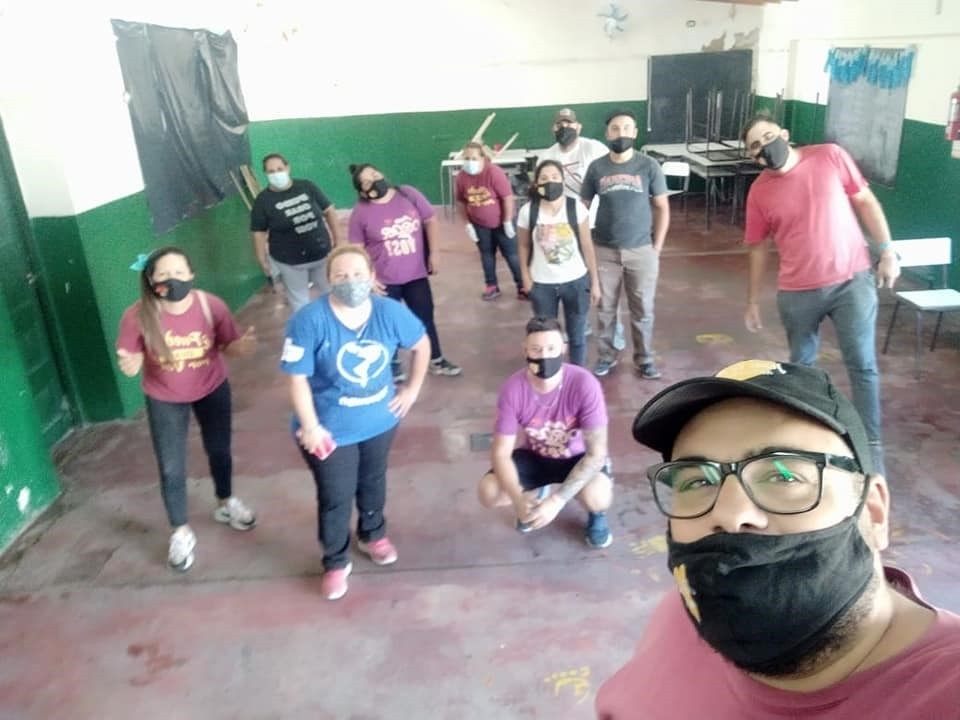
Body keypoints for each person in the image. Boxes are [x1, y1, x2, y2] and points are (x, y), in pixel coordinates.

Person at [596, 359, 960, 719]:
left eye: (783, 476)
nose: (730, 514)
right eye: (697, 481)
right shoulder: (679, 615)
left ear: (874, 511)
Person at [741, 112, 900, 476]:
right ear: (752, 157)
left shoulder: (829, 156)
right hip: (798, 293)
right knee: (802, 370)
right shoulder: (760, 192)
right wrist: (751, 300)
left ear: (784, 133)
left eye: (768, 137)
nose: (765, 147)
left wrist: (887, 251)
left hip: (851, 283)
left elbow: (865, 201)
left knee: (862, 365)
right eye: (755, 146)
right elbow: (757, 248)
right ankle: (809, 441)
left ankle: (870, 448)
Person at [280, 244, 431, 601]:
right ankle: (335, 560)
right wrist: (311, 427)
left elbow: (421, 345)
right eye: (342, 275)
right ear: (328, 279)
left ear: (372, 277)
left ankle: (372, 534)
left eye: (358, 274)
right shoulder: (308, 321)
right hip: (329, 430)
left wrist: (411, 390)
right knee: (336, 494)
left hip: (380, 421)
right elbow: (297, 378)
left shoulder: (389, 312)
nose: (351, 282)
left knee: (373, 480)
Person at [116, 247, 258, 572]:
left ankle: (226, 502)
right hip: (164, 396)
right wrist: (130, 362)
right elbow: (129, 355)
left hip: (212, 388)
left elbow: (229, 344)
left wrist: (241, 347)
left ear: (192, 275)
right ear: (151, 281)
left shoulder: (211, 306)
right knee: (171, 466)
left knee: (220, 450)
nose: (173, 280)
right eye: (164, 274)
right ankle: (180, 531)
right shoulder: (137, 316)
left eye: (180, 273)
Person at [477, 316, 613, 548]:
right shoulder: (512, 389)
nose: (544, 356)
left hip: (577, 457)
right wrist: (518, 500)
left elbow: (596, 453)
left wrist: (557, 501)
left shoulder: (584, 384)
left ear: (563, 348)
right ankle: (533, 497)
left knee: (598, 496)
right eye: (536, 349)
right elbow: (501, 453)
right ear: (525, 350)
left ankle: (596, 515)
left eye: (551, 348)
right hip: (536, 456)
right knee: (489, 492)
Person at [347, 163, 462, 381]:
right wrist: (368, 278)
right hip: (384, 280)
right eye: (367, 181)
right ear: (362, 191)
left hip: (416, 274)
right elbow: (356, 248)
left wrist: (434, 252)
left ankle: (435, 359)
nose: (375, 180)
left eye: (375, 174)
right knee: (386, 322)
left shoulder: (408, 194)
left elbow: (430, 219)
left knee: (425, 317)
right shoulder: (360, 212)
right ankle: (392, 363)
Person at [581, 109, 670, 380]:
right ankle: (606, 356)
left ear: (635, 132)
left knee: (642, 310)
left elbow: (662, 207)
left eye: (627, 128)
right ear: (607, 133)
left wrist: (657, 248)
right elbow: (583, 208)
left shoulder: (649, 166)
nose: (621, 133)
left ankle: (645, 359)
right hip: (604, 250)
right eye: (615, 129)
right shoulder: (597, 167)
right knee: (605, 309)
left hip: (641, 250)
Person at [538, 107, 624, 350]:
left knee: (605, 283)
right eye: (559, 124)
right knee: (574, 281)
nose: (564, 127)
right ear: (553, 128)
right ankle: (581, 323)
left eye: (569, 123)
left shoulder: (593, 149)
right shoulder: (547, 156)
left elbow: (613, 176)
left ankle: (614, 332)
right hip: (565, 230)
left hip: (597, 226)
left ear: (578, 126)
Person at [517, 160, 601, 367]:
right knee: (547, 337)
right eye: (544, 178)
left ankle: (577, 374)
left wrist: (595, 282)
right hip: (542, 284)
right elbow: (523, 246)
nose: (550, 182)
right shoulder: (528, 211)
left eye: (555, 177)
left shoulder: (576, 208)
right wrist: (525, 278)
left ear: (563, 181)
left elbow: (587, 246)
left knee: (577, 336)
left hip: (576, 282)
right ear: (536, 184)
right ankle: (550, 372)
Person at [250, 152, 342, 312]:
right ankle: (306, 327)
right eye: (271, 171)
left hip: (321, 255)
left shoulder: (307, 186)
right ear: (265, 174)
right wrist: (261, 257)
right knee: (300, 305)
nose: (276, 173)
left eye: (279, 169)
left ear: (288, 168)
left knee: (333, 297)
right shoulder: (263, 200)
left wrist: (338, 240)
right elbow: (259, 231)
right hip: (290, 262)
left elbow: (329, 210)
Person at [455, 141, 526, 301]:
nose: (469, 162)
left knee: (512, 255)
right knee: (486, 254)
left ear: (483, 158)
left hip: (502, 222)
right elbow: (460, 202)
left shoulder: (494, 172)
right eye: (466, 158)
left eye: (474, 158)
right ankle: (492, 286)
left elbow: (507, 197)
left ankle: (522, 286)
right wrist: (467, 225)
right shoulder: (461, 177)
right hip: (479, 224)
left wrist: (507, 221)